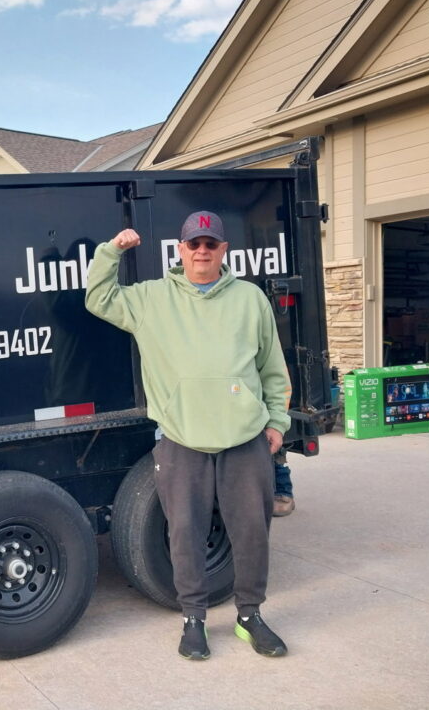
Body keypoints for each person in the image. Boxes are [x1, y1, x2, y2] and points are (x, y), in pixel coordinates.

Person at [85, 210, 291, 661]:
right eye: (194, 244)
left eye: (210, 244)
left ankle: (249, 617)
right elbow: (98, 298)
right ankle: (193, 620)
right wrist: (113, 250)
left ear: (224, 250)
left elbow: (272, 368)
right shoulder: (152, 299)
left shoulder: (250, 299)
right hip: (182, 440)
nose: (202, 251)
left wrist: (277, 423)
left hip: (244, 440)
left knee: (252, 533)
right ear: (179, 251)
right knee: (185, 534)